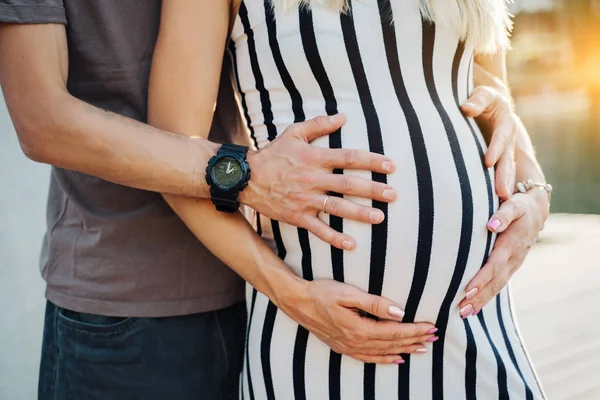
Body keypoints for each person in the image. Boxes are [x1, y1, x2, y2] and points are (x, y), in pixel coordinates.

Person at [0, 0, 548, 399]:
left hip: (469, 328)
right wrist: (245, 184)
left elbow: (479, 85)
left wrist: (533, 190)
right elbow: (45, 121)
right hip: (141, 302)